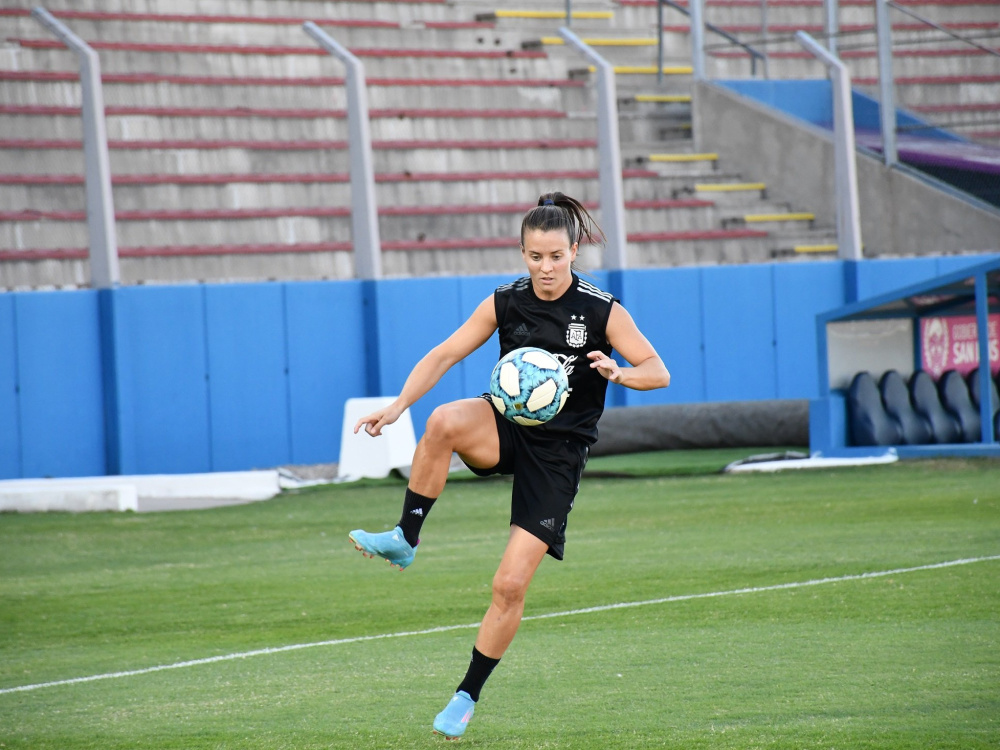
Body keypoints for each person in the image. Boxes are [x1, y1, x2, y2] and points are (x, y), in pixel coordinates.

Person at [348, 191, 670, 740]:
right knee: (445, 420)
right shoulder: (507, 300)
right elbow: (446, 353)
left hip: (559, 454)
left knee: (509, 585)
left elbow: (658, 371)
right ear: (522, 253)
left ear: (574, 251)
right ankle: (406, 536)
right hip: (504, 424)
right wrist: (399, 405)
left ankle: (466, 695)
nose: (545, 268)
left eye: (556, 257)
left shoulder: (602, 310)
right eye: (534, 257)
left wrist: (619, 374)